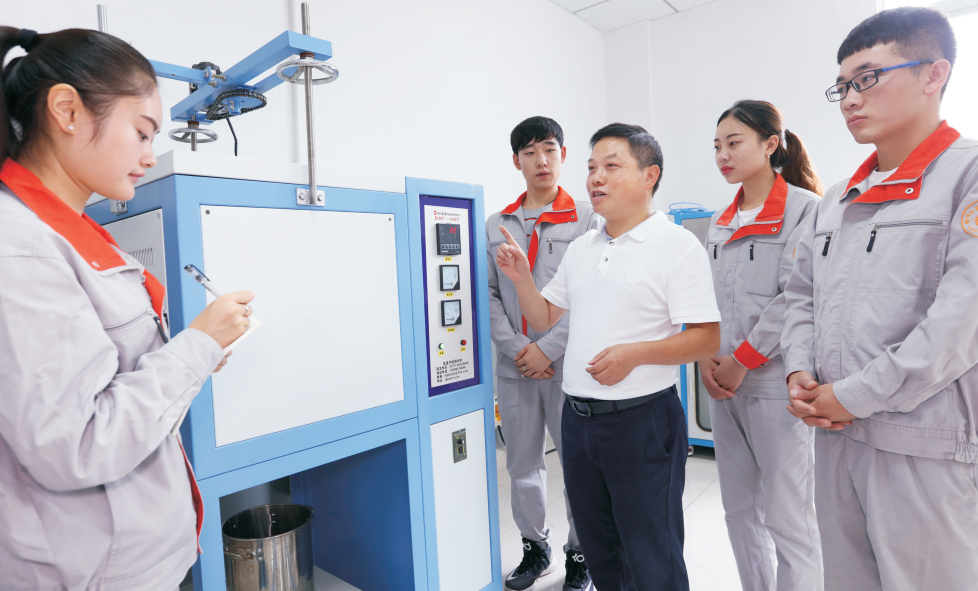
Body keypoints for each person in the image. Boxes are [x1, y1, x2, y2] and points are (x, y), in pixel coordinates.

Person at [0, 27, 253, 590]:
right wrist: (197, 347)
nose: (148, 157)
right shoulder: (19, 246)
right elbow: (75, 444)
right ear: (66, 110)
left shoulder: (73, 234)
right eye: (141, 132)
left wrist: (195, 354)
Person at [781, 8, 978, 590]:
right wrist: (799, 370)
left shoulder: (965, 177)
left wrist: (853, 396)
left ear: (934, 74)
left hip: (923, 446)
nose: (849, 99)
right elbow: (801, 295)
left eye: (866, 78)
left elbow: (959, 324)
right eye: (841, 86)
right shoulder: (837, 200)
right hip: (834, 435)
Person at [496, 123, 721, 591]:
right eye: (592, 167)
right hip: (578, 423)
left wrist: (636, 355)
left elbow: (706, 339)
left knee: (651, 552)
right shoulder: (583, 247)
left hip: (642, 422)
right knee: (600, 549)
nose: (596, 177)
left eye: (611, 166)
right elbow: (543, 316)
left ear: (649, 175)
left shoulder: (677, 246)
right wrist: (522, 280)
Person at [700, 100, 822, 591]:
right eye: (717, 146)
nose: (722, 156)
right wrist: (707, 358)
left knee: (788, 518)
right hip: (723, 384)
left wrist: (742, 361)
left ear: (771, 144)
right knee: (739, 511)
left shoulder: (805, 209)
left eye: (734, 143)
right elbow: (707, 296)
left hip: (773, 384)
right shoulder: (720, 219)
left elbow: (796, 295)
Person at [486, 116, 598, 591]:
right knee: (522, 465)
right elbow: (489, 294)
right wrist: (519, 350)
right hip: (515, 369)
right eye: (530, 152)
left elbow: (593, 294)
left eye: (549, 149)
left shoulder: (588, 218)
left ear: (563, 155)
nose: (541, 160)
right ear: (517, 161)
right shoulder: (496, 224)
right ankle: (536, 548)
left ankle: (581, 552)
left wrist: (547, 348)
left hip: (568, 366)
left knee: (578, 465)